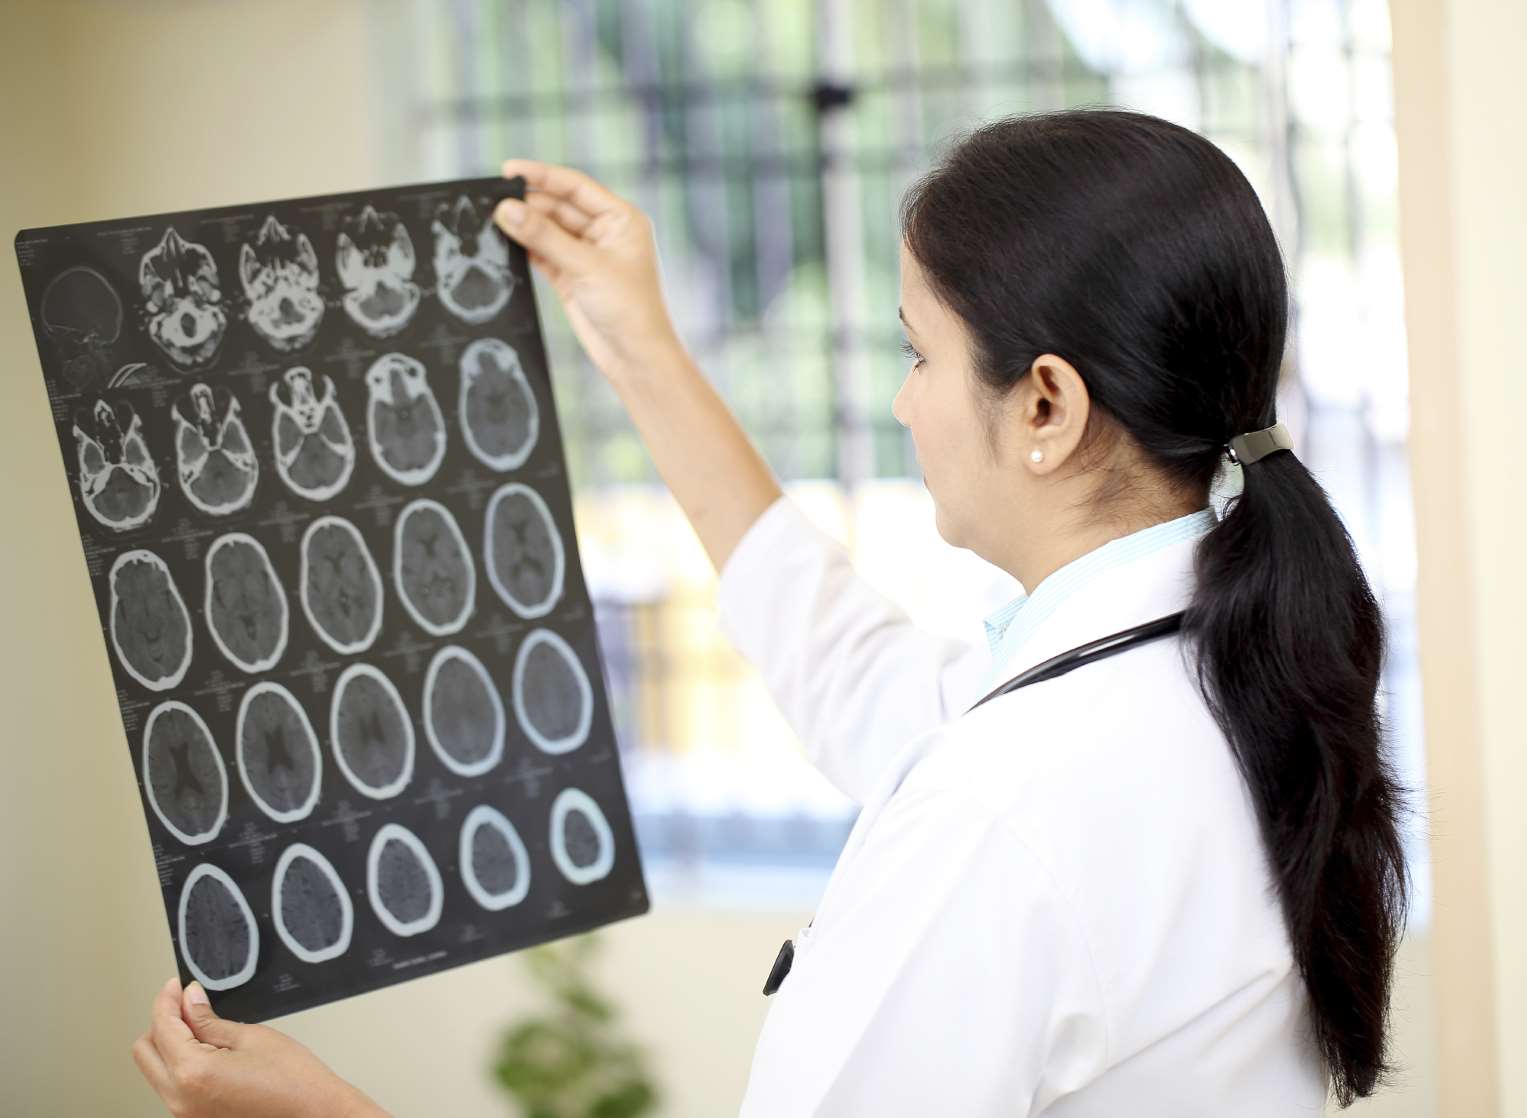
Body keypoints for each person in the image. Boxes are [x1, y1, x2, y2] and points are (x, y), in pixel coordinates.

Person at [132, 107, 1409, 1116]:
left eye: (918, 353)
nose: (906, 403)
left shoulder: (1009, 805)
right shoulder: (1215, 673)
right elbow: (856, 671)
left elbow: (957, 782)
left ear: (1046, 407)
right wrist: (638, 340)